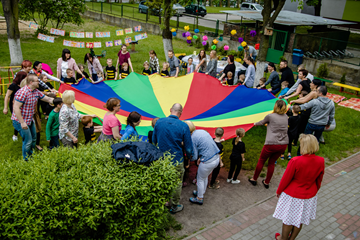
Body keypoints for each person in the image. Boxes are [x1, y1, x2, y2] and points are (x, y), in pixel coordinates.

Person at [274, 134, 324, 240]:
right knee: (299, 220)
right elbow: (319, 180)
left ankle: (283, 239)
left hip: (293, 195)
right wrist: (314, 191)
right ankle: (292, 239)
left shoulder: (295, 161)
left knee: (288, 219)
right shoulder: (321, 160)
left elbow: (286, 178)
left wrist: (279, 191)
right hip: (309, 195)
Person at [152, 103, 193, 213]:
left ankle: (164, 201)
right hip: (177, 159)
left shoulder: (159, 122)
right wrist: (189, 158)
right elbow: (188, 147)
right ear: (181, 113)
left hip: (162, 158)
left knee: (163, 180)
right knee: (176, 183)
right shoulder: (183, 126)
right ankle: (174, 206)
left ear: (170, 110)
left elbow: (154, 140)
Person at [11, 74, 55, 160]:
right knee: (28, 141)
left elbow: (48, 99)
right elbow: (16, 108)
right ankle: (27, 160)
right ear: (31, 82)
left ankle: (31, 155)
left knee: (34, 139)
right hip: (20, 121)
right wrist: (22, 122)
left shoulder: (36, 91)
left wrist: (62, 101)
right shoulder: (22, 92)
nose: (39, 82)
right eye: (37, 81)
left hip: (30, 119)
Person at [249, 100, 289, 188]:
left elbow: (262, 122)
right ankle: (267, 182)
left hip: (271, 143)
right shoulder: (286, 116)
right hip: (283, 144)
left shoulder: (270, 116)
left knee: (262, 160)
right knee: (271, 163)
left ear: (275, 106)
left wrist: (254, 123)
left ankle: (254, 179)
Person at [185, 121, 219, 205]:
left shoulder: (192, 138)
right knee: (205, 177)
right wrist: (201, 157)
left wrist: (188, 158)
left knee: (200, 179)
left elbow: (194, 156)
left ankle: (199, 198)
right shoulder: (202, 131)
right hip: (216, 158)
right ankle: (201, 192)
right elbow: (207, 146)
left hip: (208, 161)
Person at [3, 71, 28, 141]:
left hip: (23, 104)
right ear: (21, 78)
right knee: (17, 119)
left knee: (22, 118)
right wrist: (5, 108)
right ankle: (15, 134)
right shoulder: (13, 85)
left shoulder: (25, 85)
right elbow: (7, 96)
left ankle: (24, 131)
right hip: (14, 105)